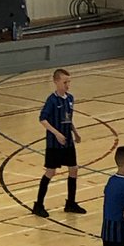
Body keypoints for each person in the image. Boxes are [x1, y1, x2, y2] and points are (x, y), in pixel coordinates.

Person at [32, 67, 84, 217]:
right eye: (64, 82)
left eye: (69, 82)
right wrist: (56, 134)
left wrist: (75, 132)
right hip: (54, 144)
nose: (67, 85)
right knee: (51, 171)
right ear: (56, 82)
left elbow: (68, 118)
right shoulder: (52, 100)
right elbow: (42, 119)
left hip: (68, 142)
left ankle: (70, 203)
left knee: (73, 169)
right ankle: (38, 205)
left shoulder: (70, 99)